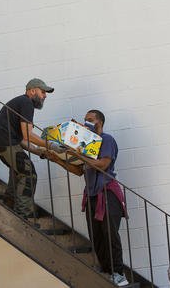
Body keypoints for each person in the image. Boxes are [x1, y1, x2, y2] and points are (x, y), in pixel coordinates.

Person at [51, 110, 129, 287]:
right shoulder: (86, 145)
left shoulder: (106, 140)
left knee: (110, 234)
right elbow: (79, 170)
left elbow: (103, 164)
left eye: (90, 120)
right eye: (85, 120)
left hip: (108, 193)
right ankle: (106, 270)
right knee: (96, 235)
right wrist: (56, 159)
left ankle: (119, 273)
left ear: (99, 122)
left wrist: (78, 155)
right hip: (92, 195)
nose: (86, 122)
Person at [0, 78, 65, 218]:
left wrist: (39, 151)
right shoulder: (26, 103)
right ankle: (23, 214)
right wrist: (51, 145)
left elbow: (21, 140)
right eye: (43, 92)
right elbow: (28, 135)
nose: (45, 95)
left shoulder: (21, 103)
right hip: (2, 140)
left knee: (19, 170)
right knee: (28, 172)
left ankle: (8, 204)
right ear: (32, 91)